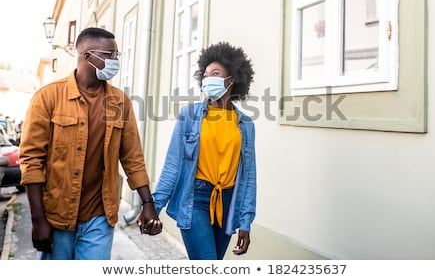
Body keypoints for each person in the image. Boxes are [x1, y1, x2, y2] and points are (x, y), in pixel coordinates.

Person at [19, 27, 162, 260]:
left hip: (100, 218)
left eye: (117, 55)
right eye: (110, 55)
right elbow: (31, 160)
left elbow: (132, 157)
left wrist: (148, 203)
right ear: (87, 56)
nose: (116, 61)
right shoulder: (48, 97)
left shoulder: (120, 102)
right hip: (56, 216)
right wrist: (38, 220)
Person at [153, 41, 257, 260]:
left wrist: (245, 221)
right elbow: (173, 165)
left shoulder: (245, 125)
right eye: (206, 75)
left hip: (228, 203)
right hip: (196, 199)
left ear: (232, 79)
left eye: (216, 73)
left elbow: (248, 177)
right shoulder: (189, 116)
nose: (209, 79)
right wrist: (154, 206)